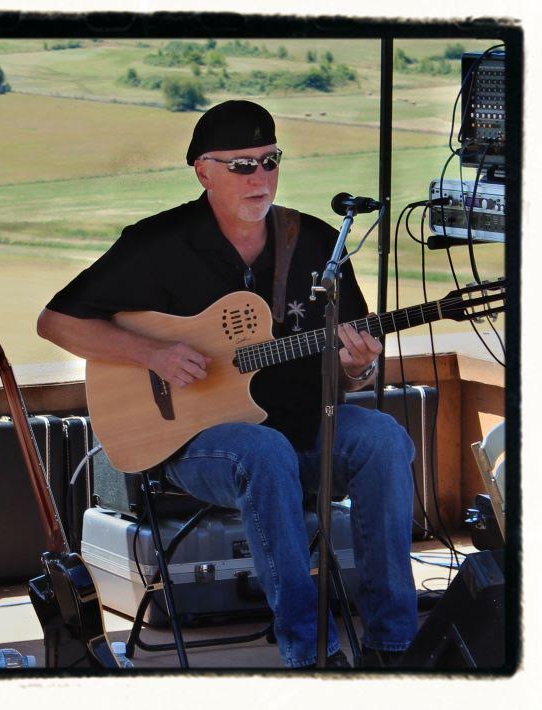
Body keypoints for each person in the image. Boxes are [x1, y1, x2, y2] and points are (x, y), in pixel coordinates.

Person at [37, 100, 417, 669]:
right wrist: (154, 353)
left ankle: (397, 645)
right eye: (242, 166)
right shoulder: (157, 244)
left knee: (383, 438)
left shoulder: (312, 242)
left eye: (270, 161)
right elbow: (56, 321)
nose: (260, 178)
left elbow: (347, 365)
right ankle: (311, 652)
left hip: (302, 430)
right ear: (202, 170)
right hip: (194, 446)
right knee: (262, 452)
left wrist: (358, 366)